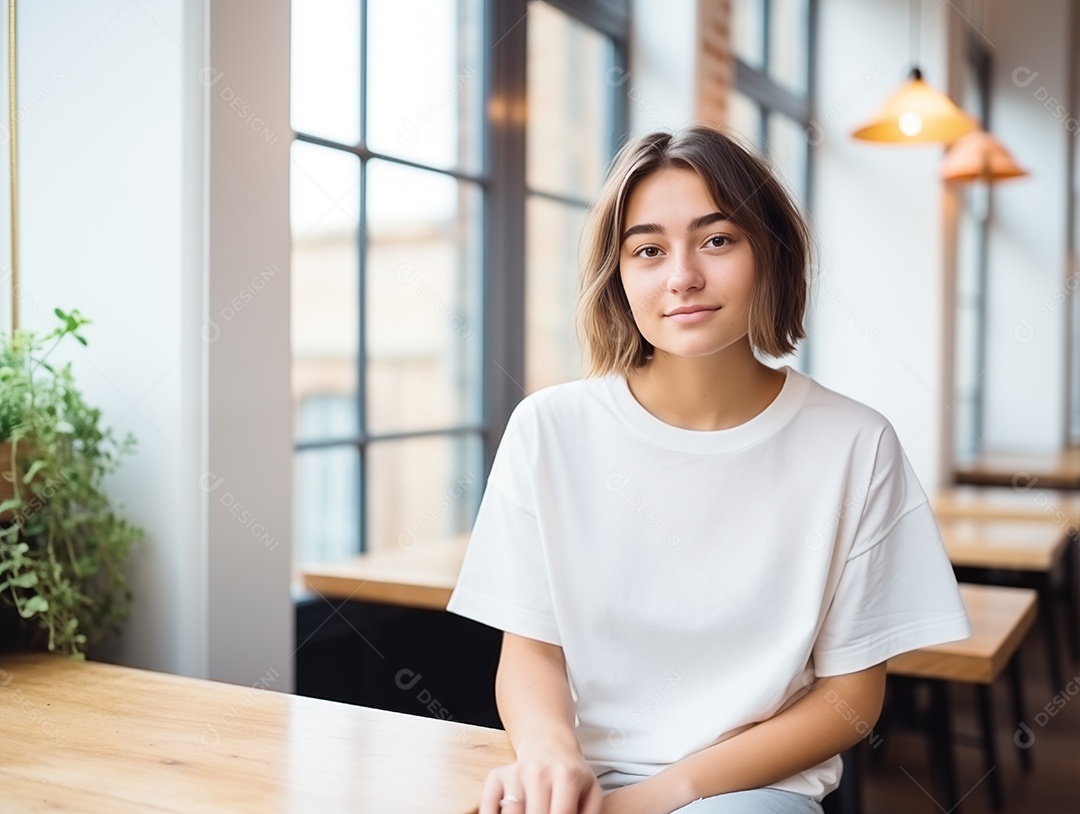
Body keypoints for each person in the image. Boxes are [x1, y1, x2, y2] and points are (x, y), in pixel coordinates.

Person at [446, 125, 972, 814]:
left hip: (751, 788)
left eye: (717, 240)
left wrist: (660, 795)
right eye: (649, 249)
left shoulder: (855, 443)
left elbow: (850, 700)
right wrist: (549, 754)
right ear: (619, 273)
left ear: (770, 254)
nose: (682, 275)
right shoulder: (549, 429)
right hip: (578, 775)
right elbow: (532, 650)